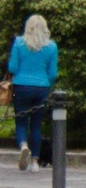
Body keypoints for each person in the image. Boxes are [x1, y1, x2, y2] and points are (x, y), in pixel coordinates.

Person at [10, 13, 57, 170]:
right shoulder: (51, 47)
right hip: (42, 88)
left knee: (21, 123)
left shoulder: (18, 43)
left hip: (21, 87)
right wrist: (46, 84)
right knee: (36, 126)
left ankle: (23, 146)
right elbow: (53, 74)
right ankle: (35, 162)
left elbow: (12, 68)